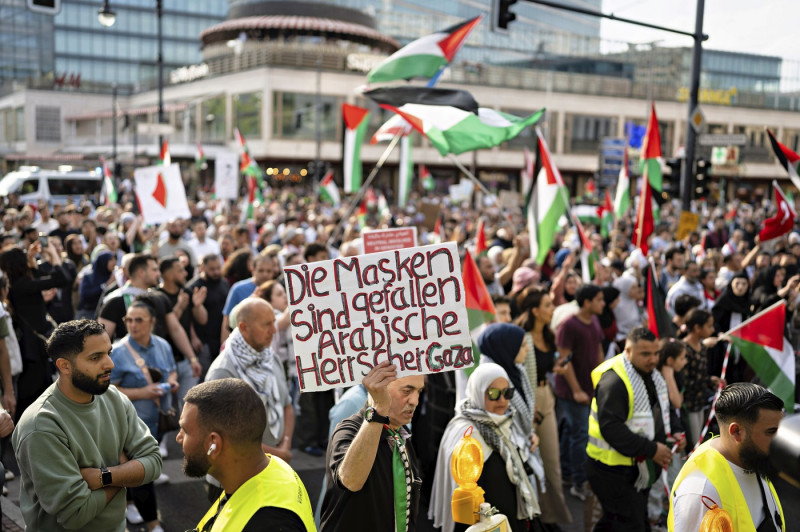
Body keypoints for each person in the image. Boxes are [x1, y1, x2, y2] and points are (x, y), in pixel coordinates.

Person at [11, 320, 162, 531]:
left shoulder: (114, 398)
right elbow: (75, 514)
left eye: (108, 352)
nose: (110, 364)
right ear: (64, 366)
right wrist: (128, 472)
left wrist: (104, 477)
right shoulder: (41, 425)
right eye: (95, 357)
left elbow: (154, 462)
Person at [178, 378, 316, 531]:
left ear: (214, 443)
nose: (179, 438)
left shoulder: (267, 523)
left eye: (185, 430)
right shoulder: (272, 466)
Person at [586, 327, 681, 530]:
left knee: (625, 521)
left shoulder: (652, 375)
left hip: (637, 470)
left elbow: (664, 407)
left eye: (656, 353)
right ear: (627, 351)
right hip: (612, 470)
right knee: (628, 523)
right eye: (645, 354)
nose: (653, 360)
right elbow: (611, 428)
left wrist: (676, 430)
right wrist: (652, 449)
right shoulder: (614, 382)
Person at [429, 363, 541, 532]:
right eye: (493, 394)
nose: (502, 400)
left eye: (507, 392)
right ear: (478, 393)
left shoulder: (507, 419)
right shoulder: (464, 431)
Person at [205, 298, 293, 499]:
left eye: (274, 321)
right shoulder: (222, 371)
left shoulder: (270, 357)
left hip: (270, 469)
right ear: (243, 328)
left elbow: (287, 405)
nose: (274, 330)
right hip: (233, 481)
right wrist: (278, 454)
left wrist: (285, 443)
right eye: (266, 324)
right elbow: (223, 434)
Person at [320, 362, 424, 532]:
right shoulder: (348, 430)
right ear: (379, 388)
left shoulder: (401, 434)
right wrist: (379, 409)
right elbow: (351, 481)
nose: (415, 401)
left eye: (419, 391)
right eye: (407, 391)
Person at [668, 383, 785, 532]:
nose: (780, 440)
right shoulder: (702, 492)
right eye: (771, 432)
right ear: (736, 432)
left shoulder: (754, 459)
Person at [110, 300, 177, 532]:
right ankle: (153, 524)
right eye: (129, 320)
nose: (133, 324)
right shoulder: (117, 352)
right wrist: (142, 392)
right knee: (141, 474)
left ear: (152, 322)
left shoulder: (162, 345)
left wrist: (172, 383)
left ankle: (130, 503)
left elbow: (172, 370)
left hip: (157, 421)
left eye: (139, 320)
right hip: (129, 426)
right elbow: (107, 391)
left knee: (135, 470)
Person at [516, 287, 573, 527]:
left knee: (551, 464)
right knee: (529, 463)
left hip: (546, 397)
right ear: (535, 311)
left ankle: (552, 518)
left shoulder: (549, 335)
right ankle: (534, 517)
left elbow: (545, 367)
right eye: (548, 305)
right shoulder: (522, 337)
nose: (553, 309)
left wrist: (556, 368)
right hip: (528, 400)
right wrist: (530, 410)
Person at [0, 242, 72, 418]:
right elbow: (61, 278)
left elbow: (41, 276)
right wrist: (53, 254)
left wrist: (31, 259)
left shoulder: (17, 285)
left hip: (28, 348)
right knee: (36, 398)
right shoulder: (23, 285)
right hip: (32, 352)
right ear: (20, 264)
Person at [554, 284, 605, 501]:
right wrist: (576, 390)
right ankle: (578, 482)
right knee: (581, 435)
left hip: (589, 389)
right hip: (572, 392)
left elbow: (599, 349)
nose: (603, 304)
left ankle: (566, 471)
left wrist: (604, 378)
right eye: (599, 300)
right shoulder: (569, 325)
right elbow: (564, 361)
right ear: (587, 302)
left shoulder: (593, 320)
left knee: (572, 432)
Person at [187, 253, 230, 372]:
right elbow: (187, 317)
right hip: (204, 340)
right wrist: (193, 337)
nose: (216, 272)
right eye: (212, 269)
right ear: (203, 268)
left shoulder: (223, 283)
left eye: (218, 268)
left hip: (221, 336)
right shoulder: (194, 287)